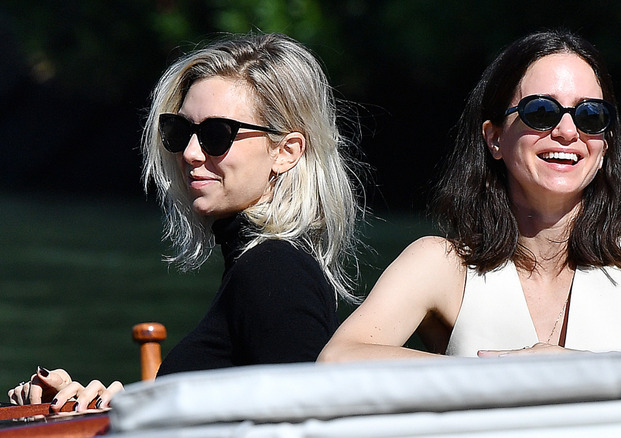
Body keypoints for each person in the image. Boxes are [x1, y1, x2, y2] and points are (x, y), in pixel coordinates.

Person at [318, 29, 621, 363]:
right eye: (541, 112)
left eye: (590, 115)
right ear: (494, 137)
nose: (566, 131)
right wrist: (494, 375)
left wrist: (602, 374)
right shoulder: (443, 263)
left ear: (607, 142)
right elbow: (341, 358)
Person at [9, 32, 362, 410]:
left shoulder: (276, 270)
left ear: (286, 151)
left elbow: (301, 426)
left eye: (216, 135)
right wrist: (109, 408)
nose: (191, 154)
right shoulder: (261, 267)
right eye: (180, 132)